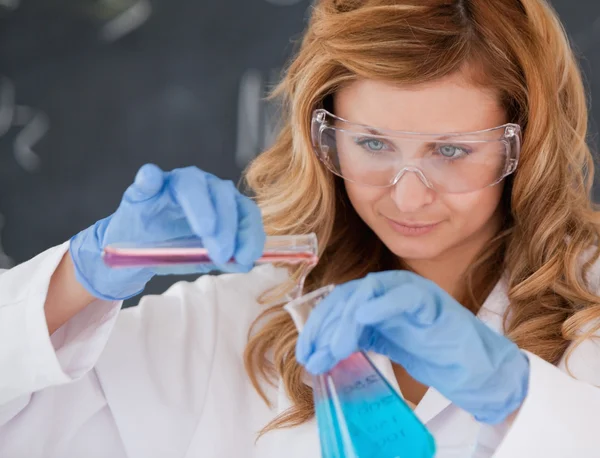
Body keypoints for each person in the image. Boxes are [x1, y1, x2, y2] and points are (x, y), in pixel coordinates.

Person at [2, 0, 600, 456]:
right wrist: (77, 280)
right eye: (372, 144)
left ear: (528, 143)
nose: (409, 194)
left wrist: (516, 395)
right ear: (325, 137)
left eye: (451, 150)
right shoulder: (232, 324)